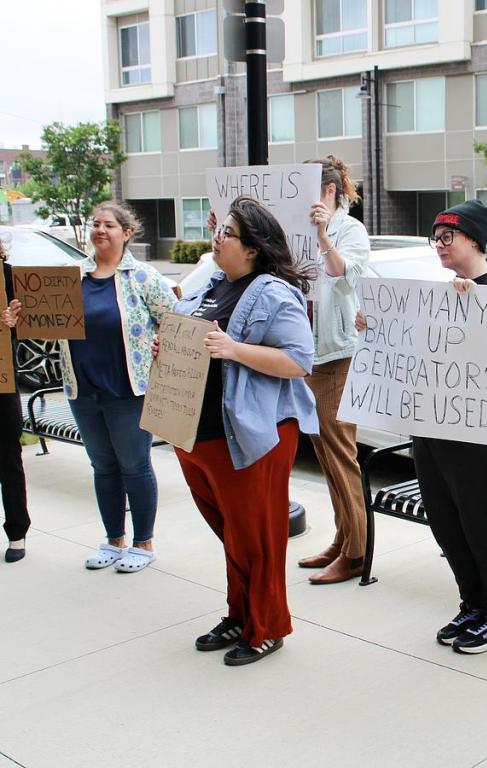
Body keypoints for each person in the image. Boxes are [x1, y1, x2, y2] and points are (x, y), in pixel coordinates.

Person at [171, 196, 317, 666]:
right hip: (198, 434)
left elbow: (298, 361)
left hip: (251, 434)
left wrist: (233, 349)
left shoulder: (273, 292)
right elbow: (193, 339)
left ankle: (268, 625)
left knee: (257, 537)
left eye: (227, 234)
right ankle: (240, 614)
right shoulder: (212, 285)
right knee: (233, 535)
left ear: (252, 248)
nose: (217, 239)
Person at [412, 199, 487, 653]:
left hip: (478, 431)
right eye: (437, 239)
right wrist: (377, 326)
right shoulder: (439, 290)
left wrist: (479, 307)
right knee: (444, 521)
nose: (441, 246)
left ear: (473, 241)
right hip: (433, 425)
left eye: (448, 238)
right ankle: (470, 603)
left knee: (481, 521)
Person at [59, 201, 177, 573]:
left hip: (128, 391)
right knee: (102, 466)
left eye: (109, 225)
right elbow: (48, 323)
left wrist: (162, 345)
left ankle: (143, 542)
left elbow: (176, 319)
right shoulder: (71, 277)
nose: (100, 230)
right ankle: (114, 539)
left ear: (126, 233)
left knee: (134, 465)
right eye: (95, 224)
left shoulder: (142, 278)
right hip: (83, 390)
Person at [295, 155, 371, 585]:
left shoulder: (349, 229)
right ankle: (343, 538)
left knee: (341, 452)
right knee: (323, 451)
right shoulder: (296, 227)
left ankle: (358, 552)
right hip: (306, 353)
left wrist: (323, 235)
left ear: (328, 190)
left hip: (337, 354)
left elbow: (346, 277)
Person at [0, 237, 28, 563]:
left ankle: (17, 531)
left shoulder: (9, 276)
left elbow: (32, 324)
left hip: (3, 384)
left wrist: (12, 324)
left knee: (8, 456)